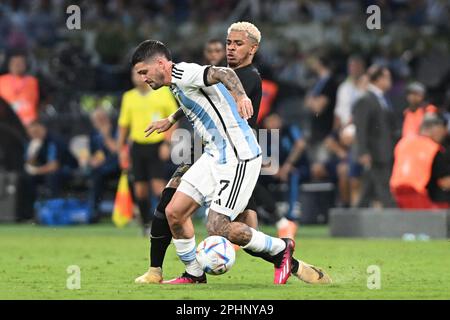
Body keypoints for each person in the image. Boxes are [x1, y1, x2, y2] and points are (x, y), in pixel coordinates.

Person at [135, 23, 330, 286]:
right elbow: (204, 96)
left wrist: (241, 97)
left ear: (160, 64)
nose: (143, 79)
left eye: (145, 72)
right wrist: (170, 118)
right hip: (214, 154)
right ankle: (194, 273)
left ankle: (281, 248)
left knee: (218, 226)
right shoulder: (174, 82)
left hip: (238, 155)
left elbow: (222, 74)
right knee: (174, 211)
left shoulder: (185, 72)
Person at [117, 69, 178, 235]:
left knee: (158, 187)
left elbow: (174, 119)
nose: (137, 78)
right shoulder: (128, 97)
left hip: (157, 145)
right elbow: (124, 126)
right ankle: (145, 224)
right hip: (137, 146)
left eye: (140, 73)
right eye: (134, 74)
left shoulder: (163, 93)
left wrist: (167, 143)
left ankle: (165, 223)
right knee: (140, 190)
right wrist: (122, 149)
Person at [352, 65, 397, 208]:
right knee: (384, 188)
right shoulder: (365, 100)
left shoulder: (383, 99)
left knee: (368, 190)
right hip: (376, 152)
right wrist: (363, 151)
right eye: (387, 77)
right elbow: (361, 128)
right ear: (378, 79)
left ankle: (352, 221)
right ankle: (394, 218)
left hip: (384, 151)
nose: (390, 81)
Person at [391, 114, 450, 208]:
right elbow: (444, 182)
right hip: (420, 197)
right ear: (435, 129)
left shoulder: (403, 143)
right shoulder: (432, 148)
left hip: (396, 197)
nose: (444, 134)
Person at [23, 121, 78, 212]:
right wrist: (32, 153)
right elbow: (29, 164)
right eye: (31, 134)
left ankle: (54, 209)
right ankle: (31, 211)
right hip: (46, 171)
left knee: (52, 176)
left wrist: (36, 171)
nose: (34, 136)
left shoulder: (54, 140)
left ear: (42, 129)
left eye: (35, 132)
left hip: (67, 170)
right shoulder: (35, 143)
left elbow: (54, 166)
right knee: (28, 178)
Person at [87, 108, 120, 222]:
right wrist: (92, 160)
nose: (98, 123)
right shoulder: (94, 134)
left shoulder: (116, 130)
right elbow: (94, 154)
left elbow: (116, 150)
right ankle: (94, 212)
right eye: (95, 120)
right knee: (95, 173)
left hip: (117, 165)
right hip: (102, 167)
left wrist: (106, 136)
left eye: (100, 119)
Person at [0, 51, 39, 126]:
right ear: (9, 65)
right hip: (7, 122)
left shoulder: (33, 81)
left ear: (25, 65)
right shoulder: (1, 81)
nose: (17, 65)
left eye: (20, 63)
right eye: (14, 62)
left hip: (30, 122)